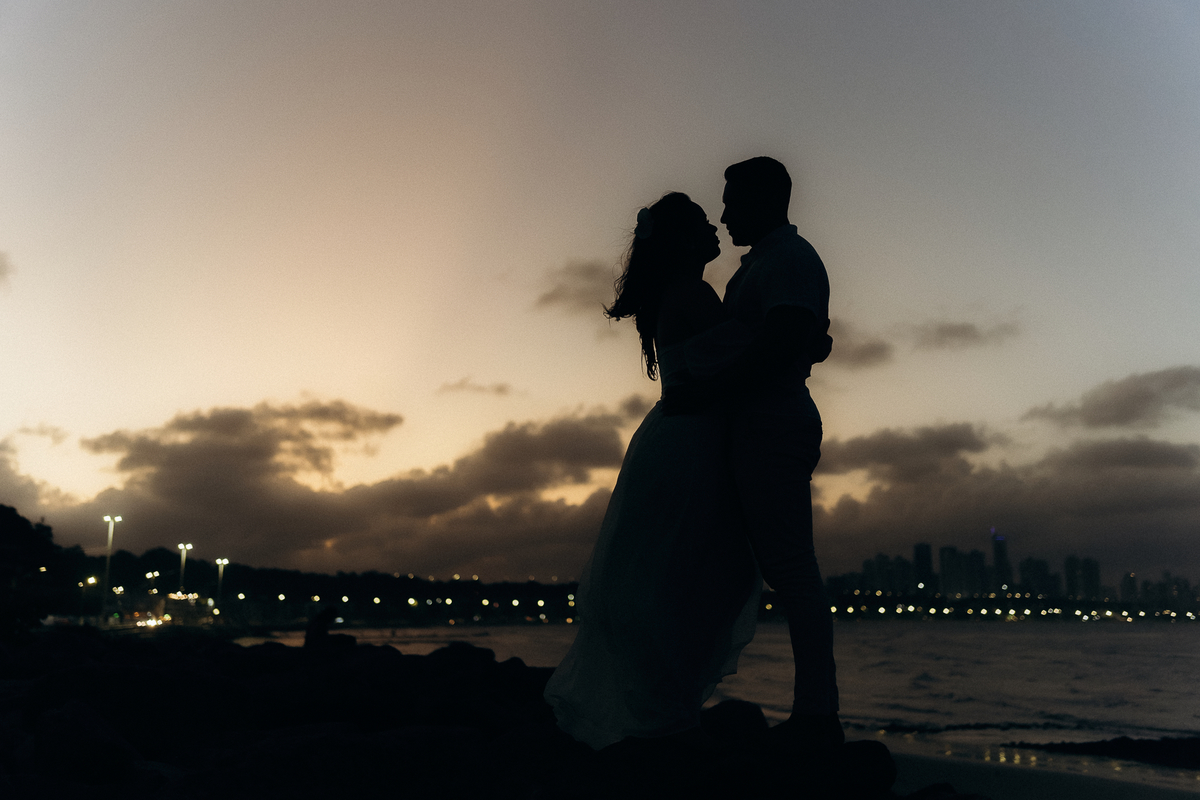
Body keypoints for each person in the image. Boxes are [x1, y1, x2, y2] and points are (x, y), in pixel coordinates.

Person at [543, 192, 762, 750]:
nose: (714, 228)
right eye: (700, 224)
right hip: (691, 444)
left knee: (669, 568)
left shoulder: (676, 293)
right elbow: (735, 367)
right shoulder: (692, 292)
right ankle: (664, 715)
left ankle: (659, 709)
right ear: (684, 240)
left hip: (673, 440)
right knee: (693, 568)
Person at [715, 156, 842, 747]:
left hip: (773, 423)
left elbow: (784, 341)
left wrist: (711, 387)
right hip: (761, 424)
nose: (723, 214)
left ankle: (817, 714)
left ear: (766, 200)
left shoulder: (788, 259)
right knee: (779, 569)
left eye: (733, 201)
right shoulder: (772, 262)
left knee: (791, 570)